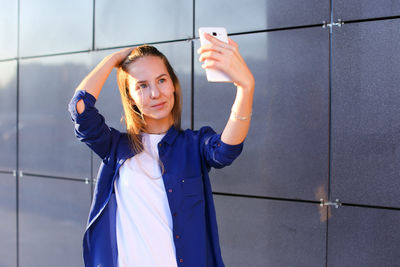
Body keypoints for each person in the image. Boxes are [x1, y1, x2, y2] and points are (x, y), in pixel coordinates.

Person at [68, 33, 254, 267]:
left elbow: (226, 149)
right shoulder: (115, 147)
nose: (155, 93)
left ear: (174, 85)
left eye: (161, 80)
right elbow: (80, 108)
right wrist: (113, 59)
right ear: (131, 97)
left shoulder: (194, 145)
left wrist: (245, 87)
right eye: (142, 85)